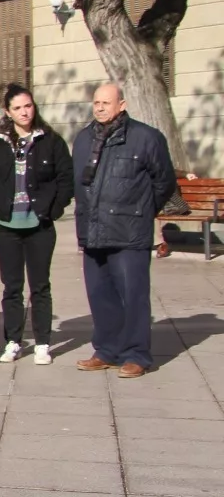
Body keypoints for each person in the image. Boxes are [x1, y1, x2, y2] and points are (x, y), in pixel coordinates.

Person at [71, 82, 176, 378]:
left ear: (122, 104)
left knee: (133, 295)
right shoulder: (83, 139)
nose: (100, 107)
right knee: (100, 294)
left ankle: (136, 355)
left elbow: (164, 182)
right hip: (93, 232)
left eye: (107, 102)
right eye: (96, 103)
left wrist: (141, 211)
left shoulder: (146, 138)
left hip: (130, 232)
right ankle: (106, 350)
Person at [0, 84, 74, 365]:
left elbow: (66, 178)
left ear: (34, 106)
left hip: (39, 226)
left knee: (40, 285)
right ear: (8, 112)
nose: (24, 112)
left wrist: (53, 210)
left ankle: (42, 343)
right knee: (11, 286)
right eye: (17, 108)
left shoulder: (50, 140)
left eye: (28, 106)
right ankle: (13, 341)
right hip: (7, 226)